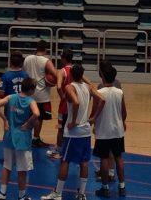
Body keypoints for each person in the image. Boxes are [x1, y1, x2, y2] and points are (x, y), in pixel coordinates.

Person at [41, 64, 105, 200]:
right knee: (84, 162)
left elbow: (75, 103)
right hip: (86, 131)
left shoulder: (70, 87)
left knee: (65, 161)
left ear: (70, 76)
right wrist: (93, 117)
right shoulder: (88, 87)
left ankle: (58, 193)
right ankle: (81, 194)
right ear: (82, 75)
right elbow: (102, 99)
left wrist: (73, 121)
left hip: (74, 132)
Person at [0, 77, 40, 200]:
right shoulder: (31, 101)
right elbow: (37, 114)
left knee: (7, 166)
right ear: (30, 90)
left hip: (9, 137)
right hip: (22, 140)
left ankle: (2, 194)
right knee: (22, 170)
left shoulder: (11, 97)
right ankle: (22, 196)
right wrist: (28, 123)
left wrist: (5, 119)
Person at [92, 65, 127, 197]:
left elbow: (95, 112)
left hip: (104, 130)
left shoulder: (99, 93)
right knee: (118, 157)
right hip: (117, 130)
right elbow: (124, 113)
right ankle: (122, 186)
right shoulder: (120, 92)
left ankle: (105, 188)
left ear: (102, 76)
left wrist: (92, 122)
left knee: (104, 158)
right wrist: (121, 122)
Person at [23, 40, 57, 147]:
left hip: (28, 91)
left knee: (27, 116)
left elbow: (24, 72)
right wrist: (50, 81)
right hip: (41, 93)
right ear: (46, 49)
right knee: (39, 117)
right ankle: (36, 139)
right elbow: (55, 74)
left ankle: (24, 136)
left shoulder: (27, 58)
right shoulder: (46, 61)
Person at [94, 60, 122, 182]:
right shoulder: (119, 85)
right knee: (116, 154)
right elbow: (122, 106)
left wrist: (93, 121)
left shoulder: (100, 88)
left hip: (104, 124)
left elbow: (97, 108)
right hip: (117, 123)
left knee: (104, 155)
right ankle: (115, 177)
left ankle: (107, 175)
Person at [46, 49, 73, 159]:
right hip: (74, 104)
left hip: (64, 105)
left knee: (61, 128)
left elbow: (58, 86)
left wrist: (62, 96)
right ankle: (71, 150)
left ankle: (58, 150)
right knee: (72, 128)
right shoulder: (76, 70)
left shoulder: (62, 71)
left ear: (63, 58)